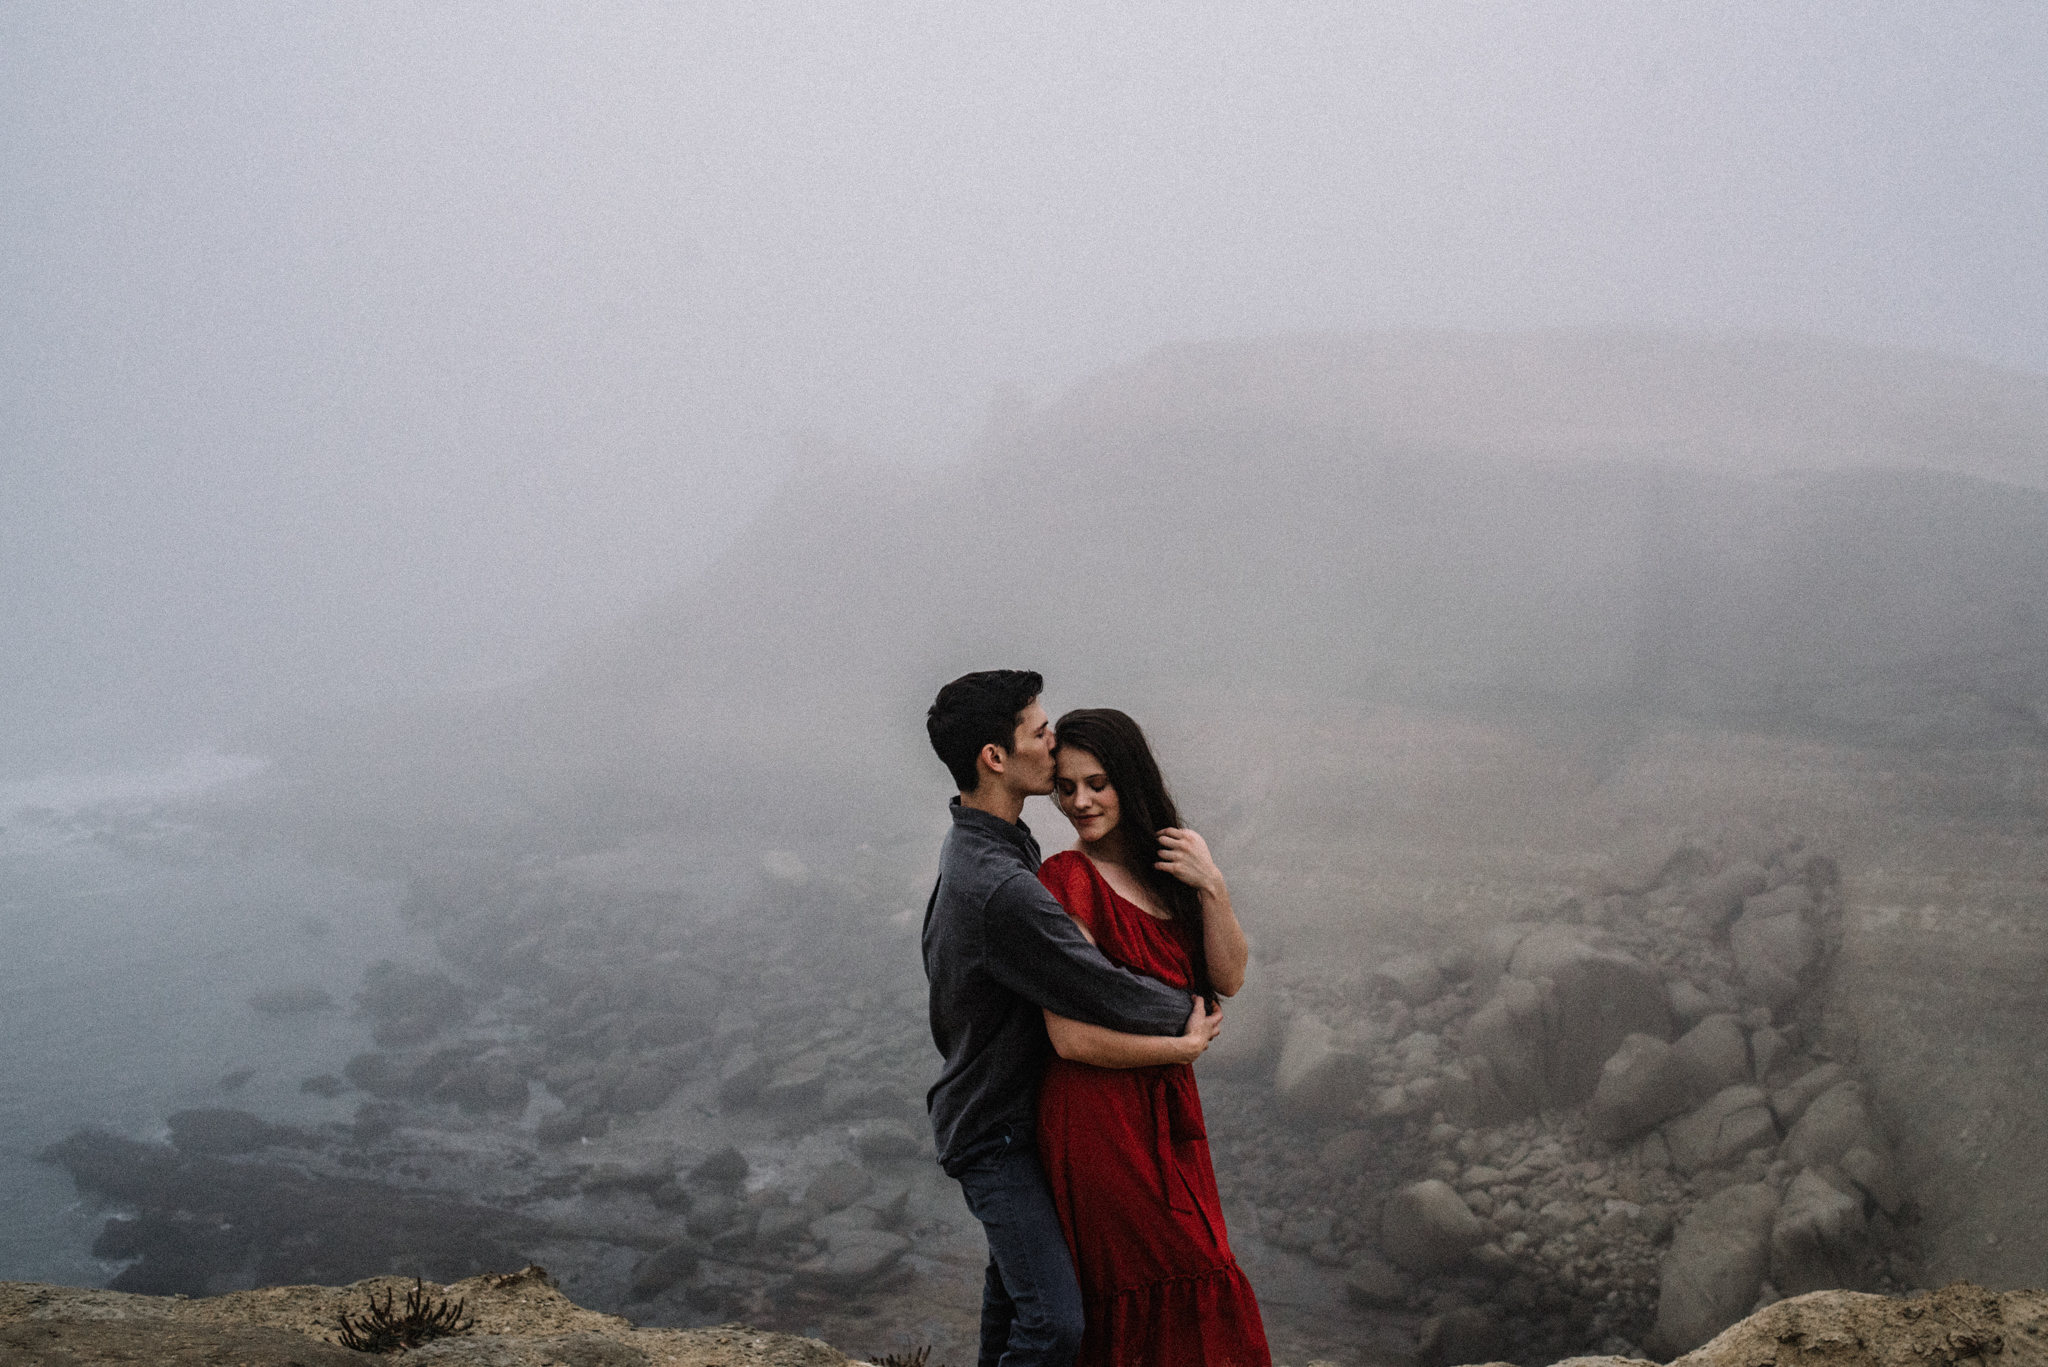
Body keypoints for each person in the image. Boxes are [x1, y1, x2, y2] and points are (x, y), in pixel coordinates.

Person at [922, 671, 1221, 1367]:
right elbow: (1096, 986)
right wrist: (1189, 1011)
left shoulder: (989, 842)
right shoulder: (999, 881)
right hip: (994, 1131)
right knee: (1055, 1324)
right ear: (995, 756)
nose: (1051, 740)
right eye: (1038, 730)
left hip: (1014, 1115)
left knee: (1014, 1304)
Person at [1034, 707, 1271, 1367]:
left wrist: (1213, 886)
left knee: (1196, 1266)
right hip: (1095, 1115)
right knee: (1181, 1268)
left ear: (1130, 780)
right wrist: (1181, 1049)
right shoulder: (1065, 879)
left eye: (1097, 782)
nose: (1079, 800)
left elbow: (1230, 975)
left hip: (1165, 1114)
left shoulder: (1171, 868)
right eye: (1067, 785)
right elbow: (1069, 1037)